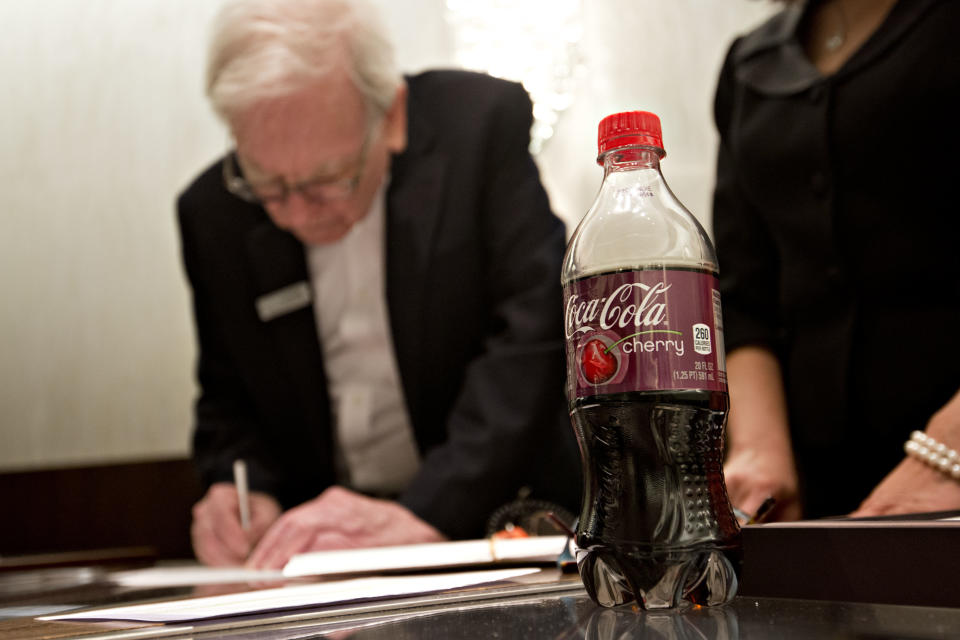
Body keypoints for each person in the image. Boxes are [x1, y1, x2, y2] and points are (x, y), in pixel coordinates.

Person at [177, 0, 580, 568]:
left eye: (326, 181)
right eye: (267, 185)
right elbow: (228, 396)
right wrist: (241, 489)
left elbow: (535, 330)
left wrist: (428, 511)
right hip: (323, 558)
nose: (295, 214)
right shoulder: (214, 213)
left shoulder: (478, 127)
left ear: (391, 117)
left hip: (498, 520)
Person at [711, 0, 960, 521]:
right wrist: (760, 455)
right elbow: (743, 294)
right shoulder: (748, 62)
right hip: (821, 492)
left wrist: (946, 457)